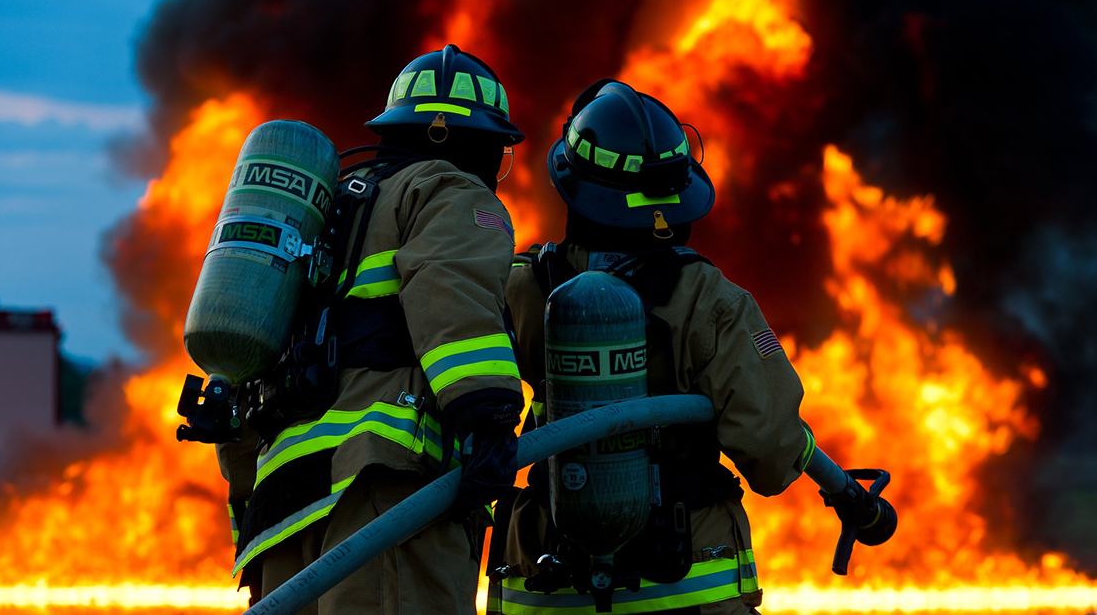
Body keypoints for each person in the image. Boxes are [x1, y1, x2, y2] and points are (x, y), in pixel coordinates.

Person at [488, 80, 819, 615]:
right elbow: (772, 453)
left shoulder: (521, 288)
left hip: (548, 585)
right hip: (684, 586)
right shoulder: (708, 300)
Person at [216, 44, 526, 615]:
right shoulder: (447, 192)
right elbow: (450, 297)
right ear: (481, 145)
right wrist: (488, 419)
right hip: (383, 494)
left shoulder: (323, 210)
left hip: (281, 508)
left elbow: (243, 366)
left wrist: (245, 499)